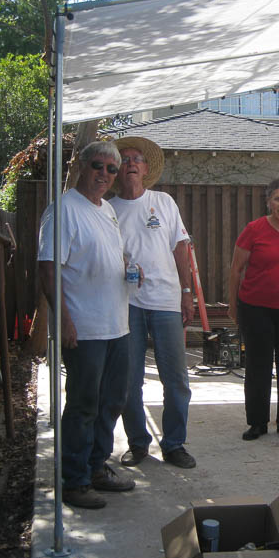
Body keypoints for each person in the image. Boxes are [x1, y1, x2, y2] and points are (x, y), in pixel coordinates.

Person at [37, 140, 135, 510]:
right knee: (82, 405)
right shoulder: (62, 210)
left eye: (113, 169)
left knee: (112, 401)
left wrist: (127, 266)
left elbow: (110, 255)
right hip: (85, 328)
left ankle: (96, 468)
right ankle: (74, 481)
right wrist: (63, 321)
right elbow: (48, 270)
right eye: (99, 166)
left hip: (117, 325)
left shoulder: (107, 209)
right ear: (81, 165)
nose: (106, 175)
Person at [109, 136, 197, 470]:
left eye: (137, 159)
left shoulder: (163, 202)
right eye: (125, 159)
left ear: (146, 169)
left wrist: (186, 293)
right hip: (125, 303)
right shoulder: (108, 209)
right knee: (128, 380)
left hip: (166, 301)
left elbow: (181, 249)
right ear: (117, 170)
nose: (131, 163)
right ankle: (138, 443)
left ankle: (174, 444)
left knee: (175, 379)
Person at [227, 178, 279, 441]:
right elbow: (236, 269)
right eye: (277, 198)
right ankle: (257, 423)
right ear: (268, 202)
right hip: (256, 309)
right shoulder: (254, 229)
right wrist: (232, 305)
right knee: (258, 366)